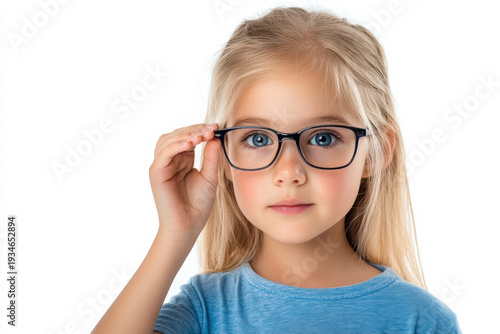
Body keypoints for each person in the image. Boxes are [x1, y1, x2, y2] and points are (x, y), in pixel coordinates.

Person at [92, 6, 462, 333]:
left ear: (375, 153)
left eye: (323, 138)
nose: (289, 172)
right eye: (257, 139)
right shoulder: (205, 309)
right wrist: (176, 233)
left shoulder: (421, 320)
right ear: (221, 156)